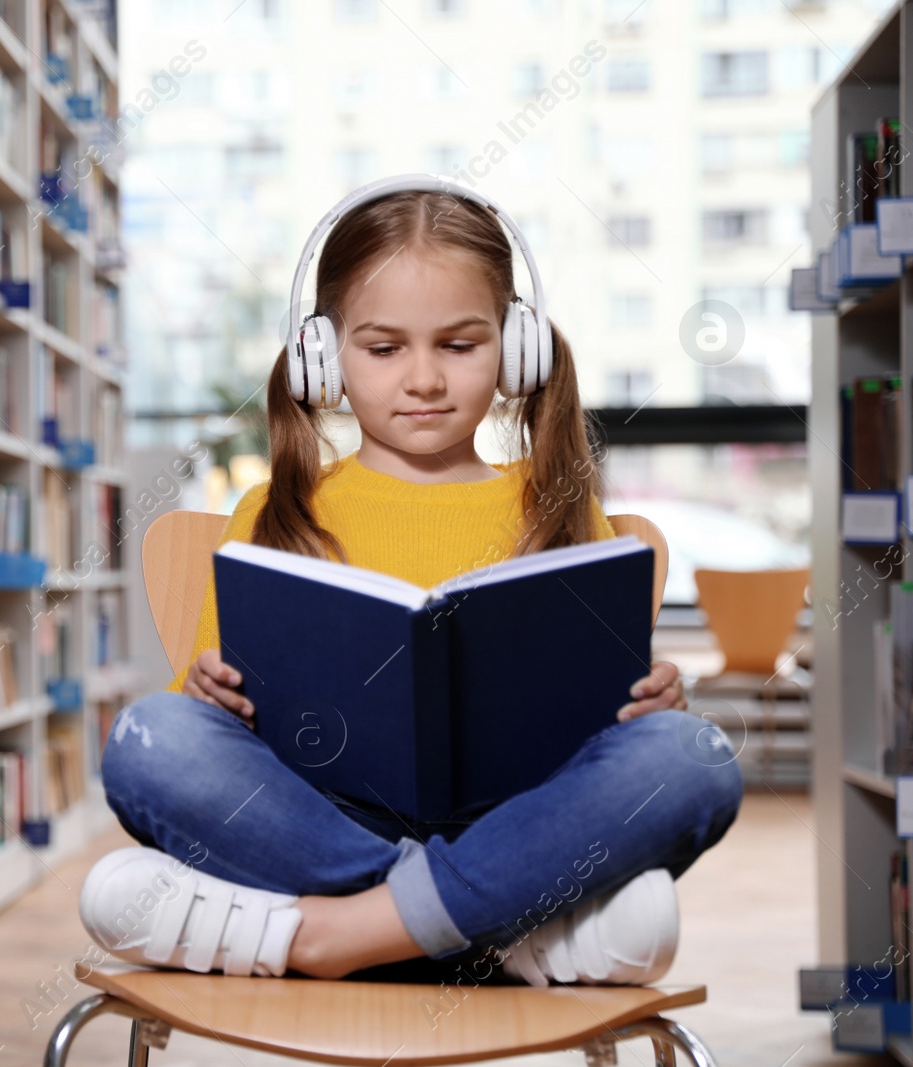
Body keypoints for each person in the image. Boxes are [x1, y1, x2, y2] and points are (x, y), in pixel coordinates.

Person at [78, 175, 745, 987]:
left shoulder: (559, 507)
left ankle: (325, 934)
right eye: (384, 348)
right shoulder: (274, 508)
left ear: (516, 349)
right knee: (151, 740)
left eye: (459, 346)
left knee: (694, 756)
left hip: (521, 817)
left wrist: (652, 704)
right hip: (324, 818)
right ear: (324, 356)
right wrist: (209, 693)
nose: (423, 379)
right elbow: (208, 723)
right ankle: (507, 928)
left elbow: (608, 709)